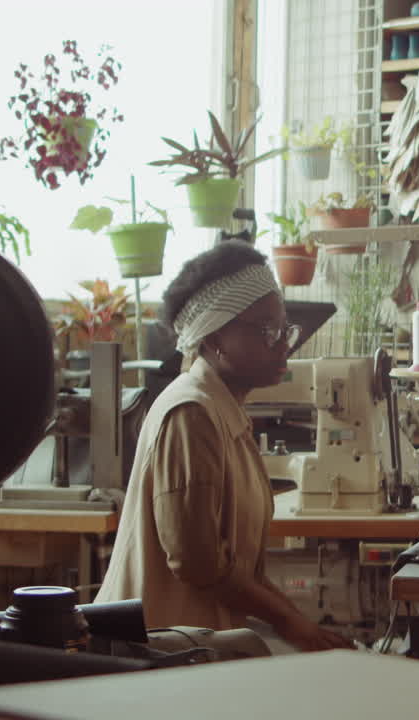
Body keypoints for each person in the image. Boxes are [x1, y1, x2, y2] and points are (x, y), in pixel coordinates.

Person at [96, 241, 351, 652]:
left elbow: (240, 569)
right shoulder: (191, 414)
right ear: (213, 338)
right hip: (157, 652)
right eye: (267, 330)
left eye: (285, 329)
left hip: (195, 641)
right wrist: (291, 623)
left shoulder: (225, 412)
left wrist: (300, 624)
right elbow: (199, 564)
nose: (283, 343)